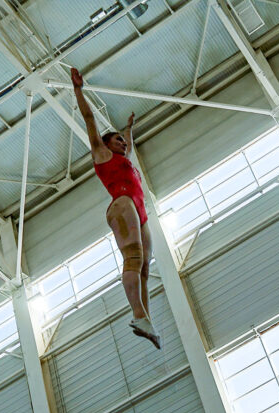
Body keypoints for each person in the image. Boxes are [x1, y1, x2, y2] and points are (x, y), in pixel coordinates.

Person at [71, 67, 160, 349]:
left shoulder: (125, 159)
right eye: (118, 139)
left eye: (123, 140)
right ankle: (137, 314)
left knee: (145, 267)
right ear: (106, 144)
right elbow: (88, 120)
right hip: (122, 205)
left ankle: (146, 319)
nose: (122, 142)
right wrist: (78, 90)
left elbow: (129, 145)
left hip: (139, 210)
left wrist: (130, 129)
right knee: (133, 258)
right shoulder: (102, 153)